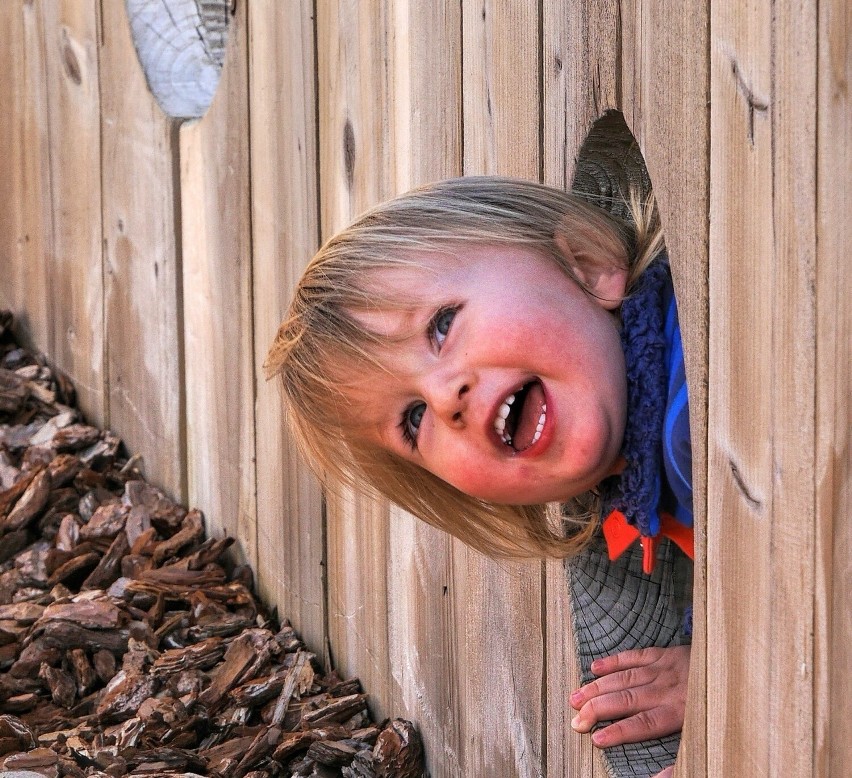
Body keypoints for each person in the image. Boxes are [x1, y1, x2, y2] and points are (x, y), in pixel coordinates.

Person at [264, 176, 694, 754]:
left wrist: (741, 683)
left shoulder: (693, 423)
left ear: (588, 265)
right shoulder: (653, 477)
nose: (445, 397)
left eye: (442, 324)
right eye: (414, 420)